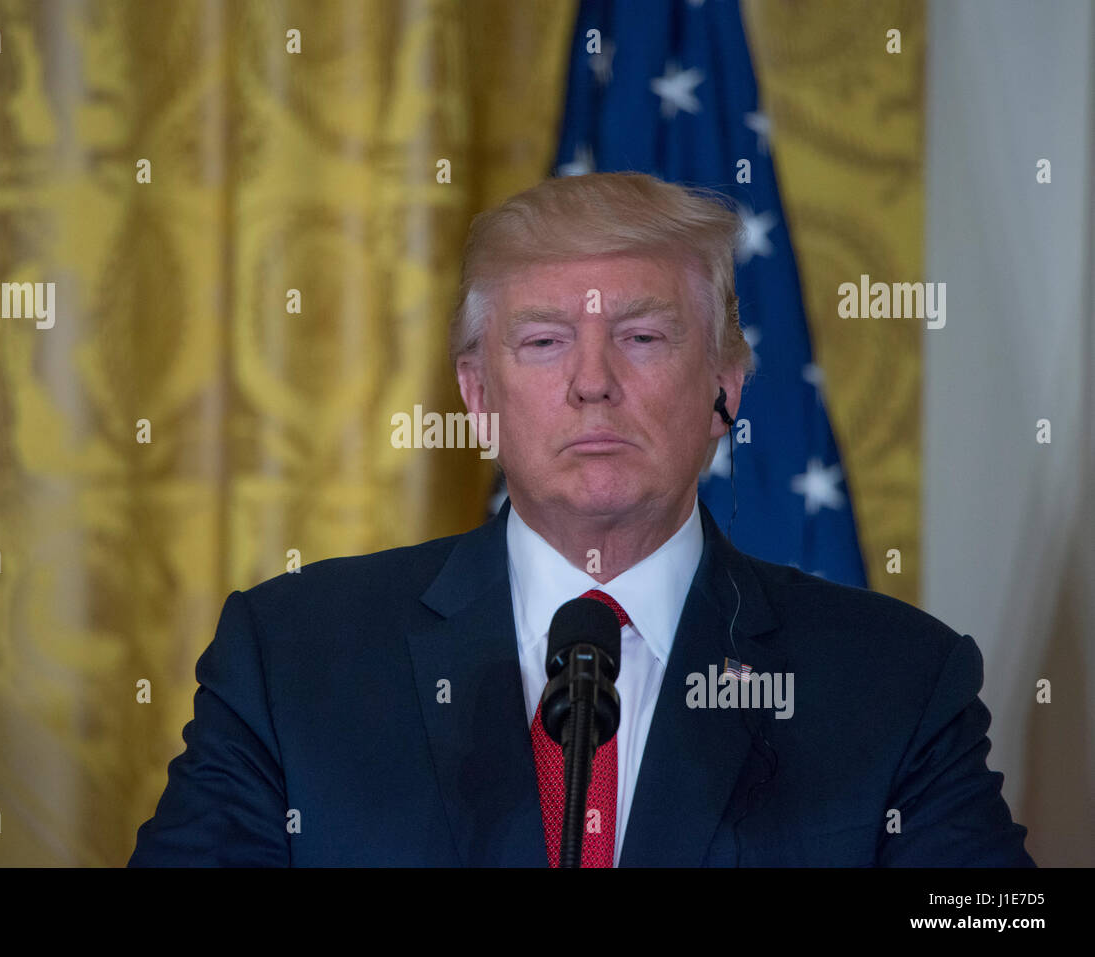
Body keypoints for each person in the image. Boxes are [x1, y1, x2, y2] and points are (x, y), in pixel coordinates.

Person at [129, 172, 1033, 866]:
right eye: (545, 341)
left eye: (642, 337)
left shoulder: (894, 681)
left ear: (725, 386)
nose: (593, 381)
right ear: (479, 396)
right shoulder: (292, 658)